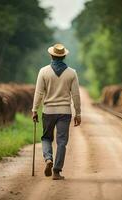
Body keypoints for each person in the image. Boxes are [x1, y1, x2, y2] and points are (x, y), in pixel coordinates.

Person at [31, 43, 81, 180]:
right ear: (64, 56)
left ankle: (48, 158)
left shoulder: (43, 71)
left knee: (46, 138)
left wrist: (34, 110)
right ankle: (57, 171)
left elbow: (39, 92)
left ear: (51, 55)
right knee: (62, 142)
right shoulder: (72, 73)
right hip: (65, 112)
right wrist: (78, 113)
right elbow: (76, 95)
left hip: (48, 111)